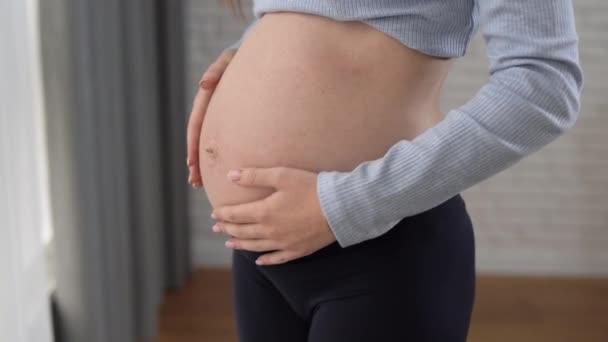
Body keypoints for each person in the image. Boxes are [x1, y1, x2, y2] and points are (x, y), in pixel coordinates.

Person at [186, 1, 583, 341]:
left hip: (380, 248)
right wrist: (243, 53)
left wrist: (341, 207)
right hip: (258, 245)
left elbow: (544, 84)